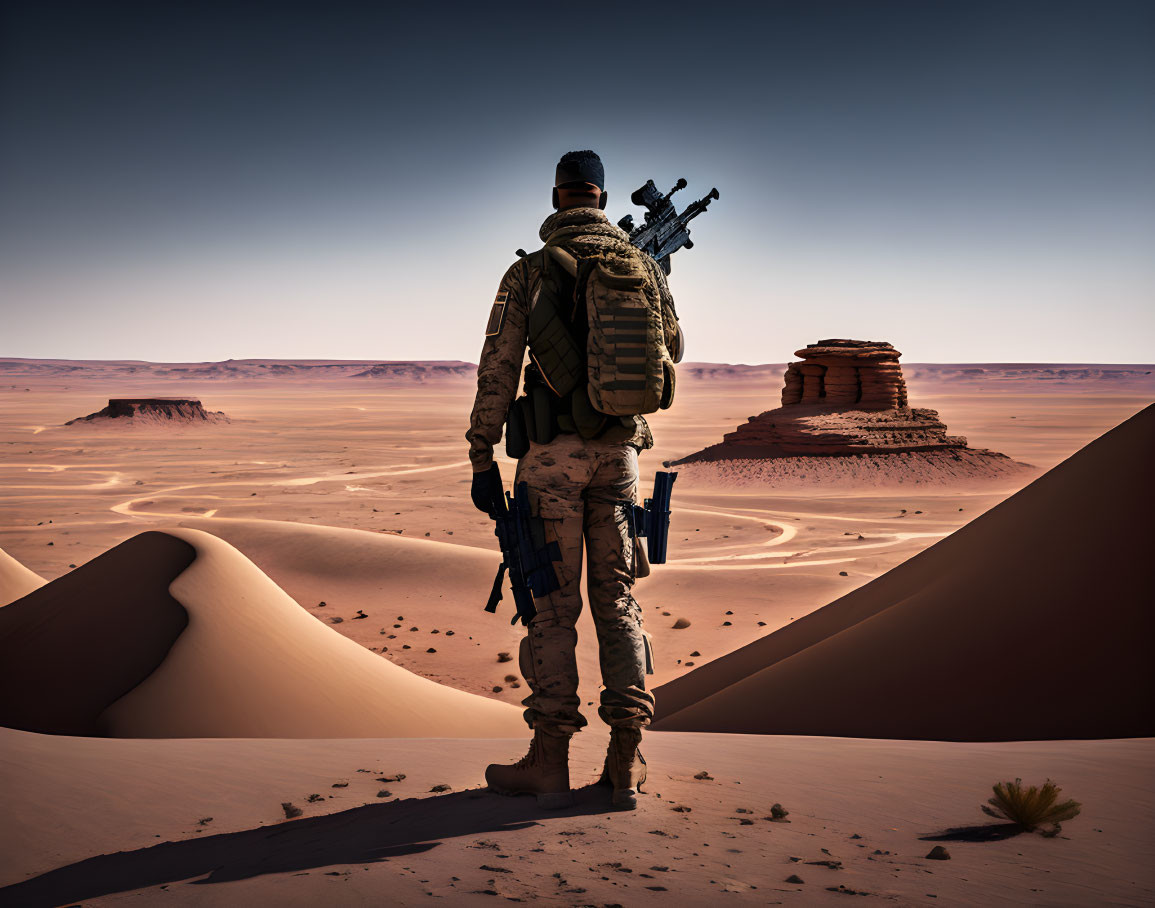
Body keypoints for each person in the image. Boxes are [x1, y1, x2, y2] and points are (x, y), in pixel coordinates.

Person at [466, 150, 683, 810]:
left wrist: (481, 455)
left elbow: (498, 369)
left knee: (552, 611)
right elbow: (670, 347)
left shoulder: (528, 271)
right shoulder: (640, 266)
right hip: (618, 458)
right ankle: (626, 760)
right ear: (602, 196)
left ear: (557, 197)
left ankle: (549, 758)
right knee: (616, 602)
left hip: (549, 461)